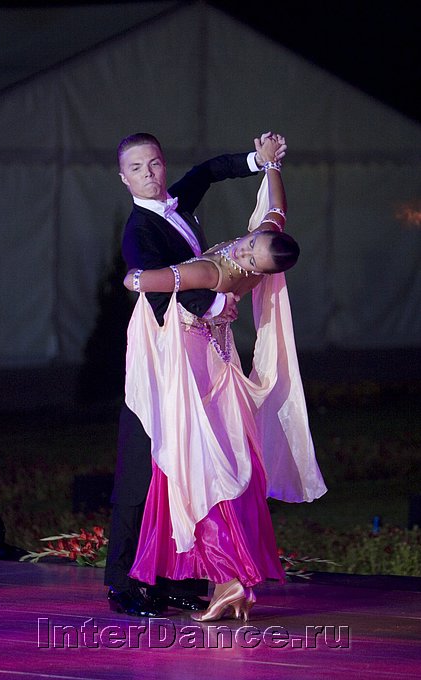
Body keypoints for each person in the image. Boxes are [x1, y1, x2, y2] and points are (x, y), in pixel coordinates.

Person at [122, 135, 327, 622]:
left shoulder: (219, 270)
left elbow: (158, 281)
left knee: (205, 462)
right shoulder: (260, 248)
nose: (150, 173)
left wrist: (141, 281)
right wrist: (267, 163)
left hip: (193, 360)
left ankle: (222, 577)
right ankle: (222, 581)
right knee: (213, 461)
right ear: (126, 176)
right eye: (140, 167)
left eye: (154, 164)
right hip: (204, 355)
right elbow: (269, 209)